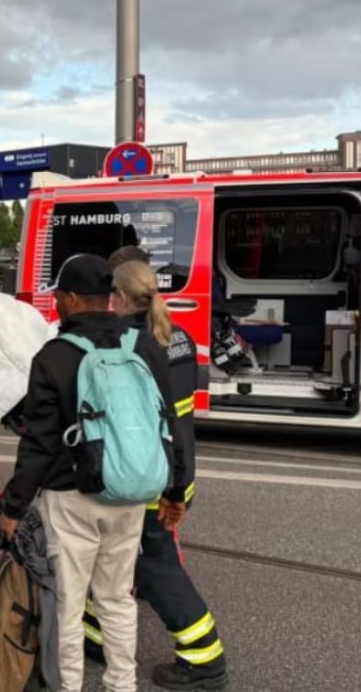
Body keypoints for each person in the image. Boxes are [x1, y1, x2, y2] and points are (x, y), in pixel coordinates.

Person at [0, 253, 183, 692]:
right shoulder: (144, 347)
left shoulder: (54, 356)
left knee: (70, 602)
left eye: (59, 296)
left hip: (71, 495)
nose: (56, 303)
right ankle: (122, 686)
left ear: (75, 299)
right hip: (131, 493)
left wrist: (13, 508)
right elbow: (169, 425)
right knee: (118, 598)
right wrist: (174, 490)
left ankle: (71, 687)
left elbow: (39, 445)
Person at [80, 246, 228, 690]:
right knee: (110, 558)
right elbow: (178, 421)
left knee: (153, 566)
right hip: (172, 469)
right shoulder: (177, 335)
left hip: (143, 476)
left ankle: (205, 660)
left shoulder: (126, 342)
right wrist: (180, 487)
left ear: (119, 297)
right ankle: (97, 636)